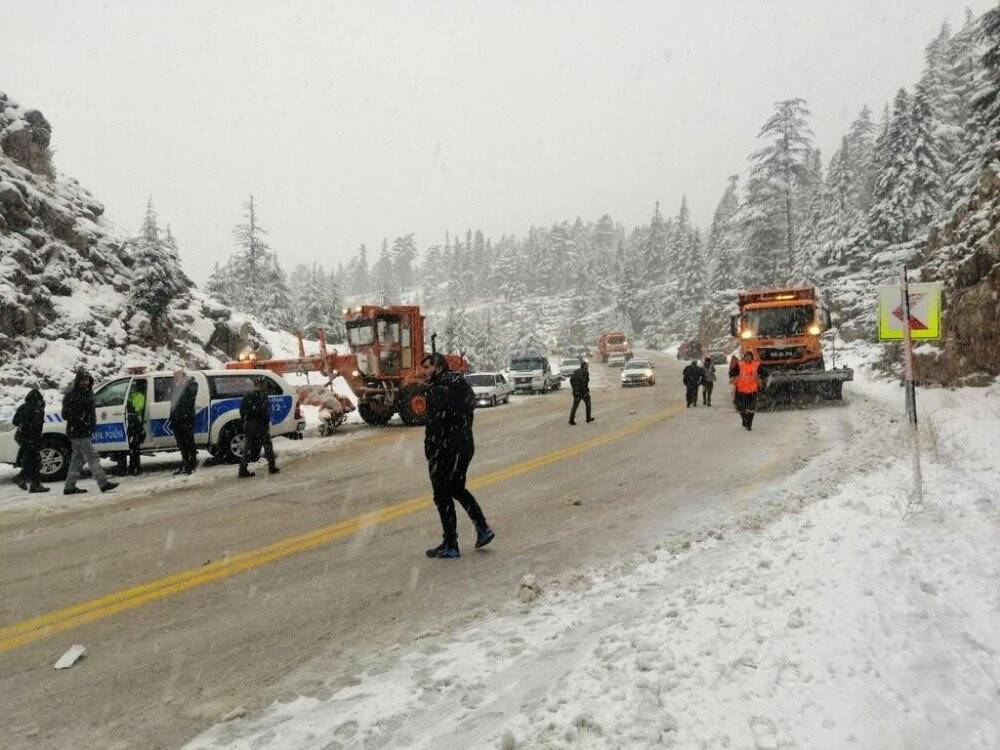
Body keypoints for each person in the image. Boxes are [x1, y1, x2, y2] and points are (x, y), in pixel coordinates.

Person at [423, 353, 493, 559]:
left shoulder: (437, 390)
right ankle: (482, 528)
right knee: (456, 488)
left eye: (427, 367)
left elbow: (435, 424)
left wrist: (431, 450)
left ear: (438, 367)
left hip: (445, 449)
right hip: (464, 445)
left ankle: (451, 544)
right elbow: (469, 409)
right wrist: (461, 432)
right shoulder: (461, 383)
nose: (424, 371)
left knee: (442, 495)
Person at [62, 369, 118, 495]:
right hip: (77, 431)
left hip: (84, 431)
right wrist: (80, 419)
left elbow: (91, 413)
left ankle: (69, 486)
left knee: (77, 460)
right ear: (78, 381)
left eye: (87, 380)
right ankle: (103, 483)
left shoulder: (89, 393)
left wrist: (91, 425)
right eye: (83, 380)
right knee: (91, 456)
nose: (85, 382)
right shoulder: (71, 395)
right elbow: (65, 414)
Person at [238, 377, 279, 478]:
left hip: (248, 424)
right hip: (260, 424)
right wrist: (265, 422)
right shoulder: (262, 395)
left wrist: (245, 421)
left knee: (248, 446)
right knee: (267, 445)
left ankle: (242, 469)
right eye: (264, 385)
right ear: (261, 385)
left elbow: (242, 410)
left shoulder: (247, 395)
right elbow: (264, 411)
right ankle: (272, 467)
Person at [13, 389, 48, 493]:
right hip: (31, 438)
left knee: (32, 461)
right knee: (34, 461)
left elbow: (15, 421)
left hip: (23, 437)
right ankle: (25, 479)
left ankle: (32, 483)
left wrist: (25, 422)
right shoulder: (38, 409)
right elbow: (37, 425)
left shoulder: (23, 407)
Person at [169, 369, 198, 475]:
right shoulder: (176, 387)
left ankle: (191, 464)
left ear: (183, 376)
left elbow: (187, 400)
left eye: (177, 376)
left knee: (188, 442)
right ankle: (185, 463)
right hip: (176, 419)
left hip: (186, 419)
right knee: (181, 444)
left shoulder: (191, 385)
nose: (175, 379)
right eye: (174, 377)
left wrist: (181, 386)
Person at [732, 350, 761, 431]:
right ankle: (744, 419)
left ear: (752, 357)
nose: (747, 357)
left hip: (752, 390)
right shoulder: (739, 365)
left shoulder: (756, 365)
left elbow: (764, 372)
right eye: (746, 356)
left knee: (751, 408)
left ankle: (749, 424)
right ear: (744, 357)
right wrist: (733, 377)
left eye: (749, 356)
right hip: (741, 390)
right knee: (741, 408)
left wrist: (761, 377)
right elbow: (732, 373)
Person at [125, 380, 147, 476]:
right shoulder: (133, 395)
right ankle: (133, 467)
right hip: (132, 423)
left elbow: (137, 409)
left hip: (136, 423)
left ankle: (136, 468)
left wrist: (130, 408)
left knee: (134, 447)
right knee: (133, 447)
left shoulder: (139, 396)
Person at [568, 359, 595, 426]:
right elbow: (584, 383)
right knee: (588, 404)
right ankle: (588, 418)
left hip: (576, 392)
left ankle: (571, 420)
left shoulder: (576, 371)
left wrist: (575, 389)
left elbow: (571, 381)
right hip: (583, 392)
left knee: (575, 406)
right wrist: (585, 392)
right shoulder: (585, 372)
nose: (588, 366)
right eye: (587, 365)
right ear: (584, 366)